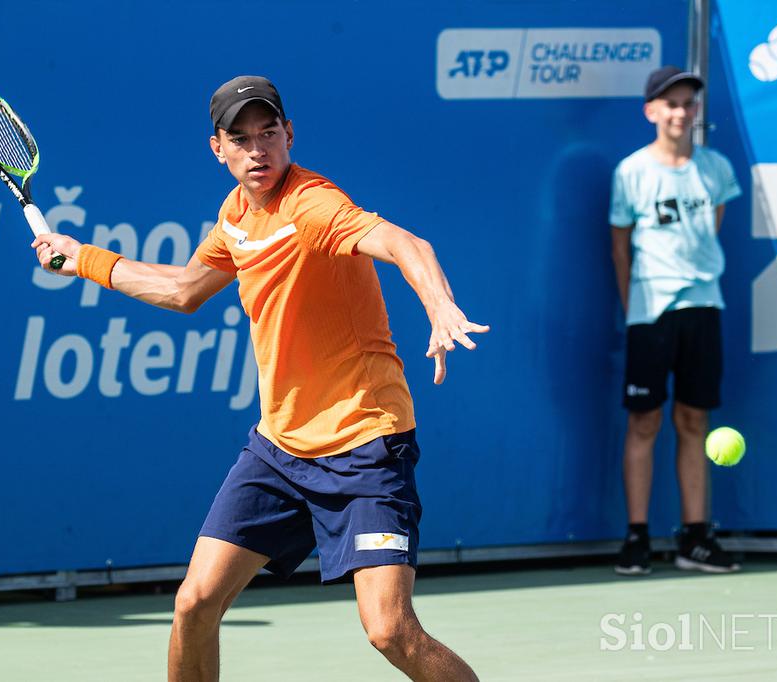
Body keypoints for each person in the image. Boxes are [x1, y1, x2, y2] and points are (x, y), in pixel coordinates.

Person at [33, 76, 484, 680]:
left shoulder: (313, 205)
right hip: (279, 450)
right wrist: (83, 258)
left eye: (268, 133)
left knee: (390, 631)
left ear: (288, 134)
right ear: (217, 148)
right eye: (240, 139)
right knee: (194, 602)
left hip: (363, 445)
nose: (257, 151)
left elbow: (407, 244)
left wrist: (439, 306)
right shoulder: (235, 216)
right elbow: (184, 289)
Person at [609, 66, 742, 576]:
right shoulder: (631, 172)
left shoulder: (716, 170)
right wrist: (632, 307)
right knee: (644, 421)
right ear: (651, 112)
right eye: (671, 104)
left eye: (689, 103)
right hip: (650, 311)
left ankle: (695, 538)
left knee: (694, 421)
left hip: (704, 306)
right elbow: (620, 248)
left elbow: (711, 232)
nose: (682, 112)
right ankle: (637, 536)